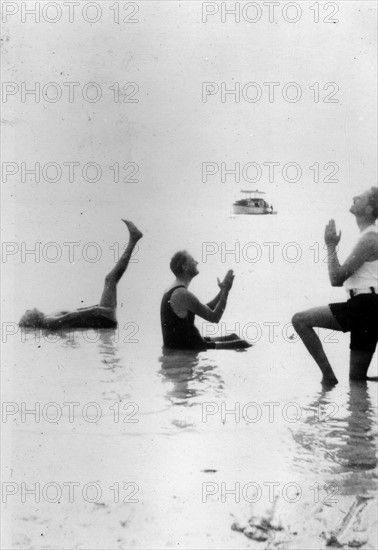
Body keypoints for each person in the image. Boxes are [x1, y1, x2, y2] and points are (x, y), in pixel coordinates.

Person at [292, 187, 378, 384]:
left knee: (299, 320)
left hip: (364, 305)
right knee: (357, 381)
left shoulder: (369, 239)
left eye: (361, 198)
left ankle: (328, 377)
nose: (354, 196)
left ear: (369, 210)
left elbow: (336, 279)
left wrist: (330, 245)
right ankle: (360, 412)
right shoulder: (370, 236)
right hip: (370, 307)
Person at [19, 220, 143, 330]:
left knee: (111, 279)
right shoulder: (48, 321)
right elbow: (70, 316)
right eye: (27, 314)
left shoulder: (48, 319)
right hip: (103, 320)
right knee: (110, 279)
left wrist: (96, 308)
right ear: (32, 321)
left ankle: (133, 239)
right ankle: (133, 239)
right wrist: (96, 310)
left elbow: (73, 315)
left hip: (103, 318)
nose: (28, 310)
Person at [160, 250, 250, 350]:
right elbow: (215, 317)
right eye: (193, 260)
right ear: (184, 267)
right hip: (190, 347)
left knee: (233, 337)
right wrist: (225, 291)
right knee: (242, 344)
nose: (196, 262)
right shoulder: (181, 293)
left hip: (190, 343)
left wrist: (222, 290)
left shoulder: (174, 289)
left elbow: (205, 309)